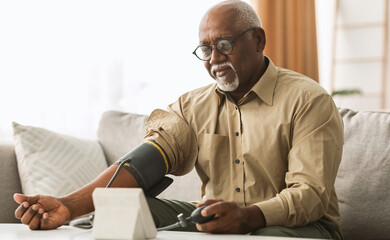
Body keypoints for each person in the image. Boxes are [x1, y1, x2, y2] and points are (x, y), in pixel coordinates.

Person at [13, 0, 344, 239]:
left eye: (225, 45)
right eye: (205, 49)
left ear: (258, 40)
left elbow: (310, 196)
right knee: (117, 215)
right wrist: (68, 206)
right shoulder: (192, 105)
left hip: (299, 226)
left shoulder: (308, 100)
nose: (214, 59)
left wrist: (246, 217)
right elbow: (143, 165)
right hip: (217, 217)